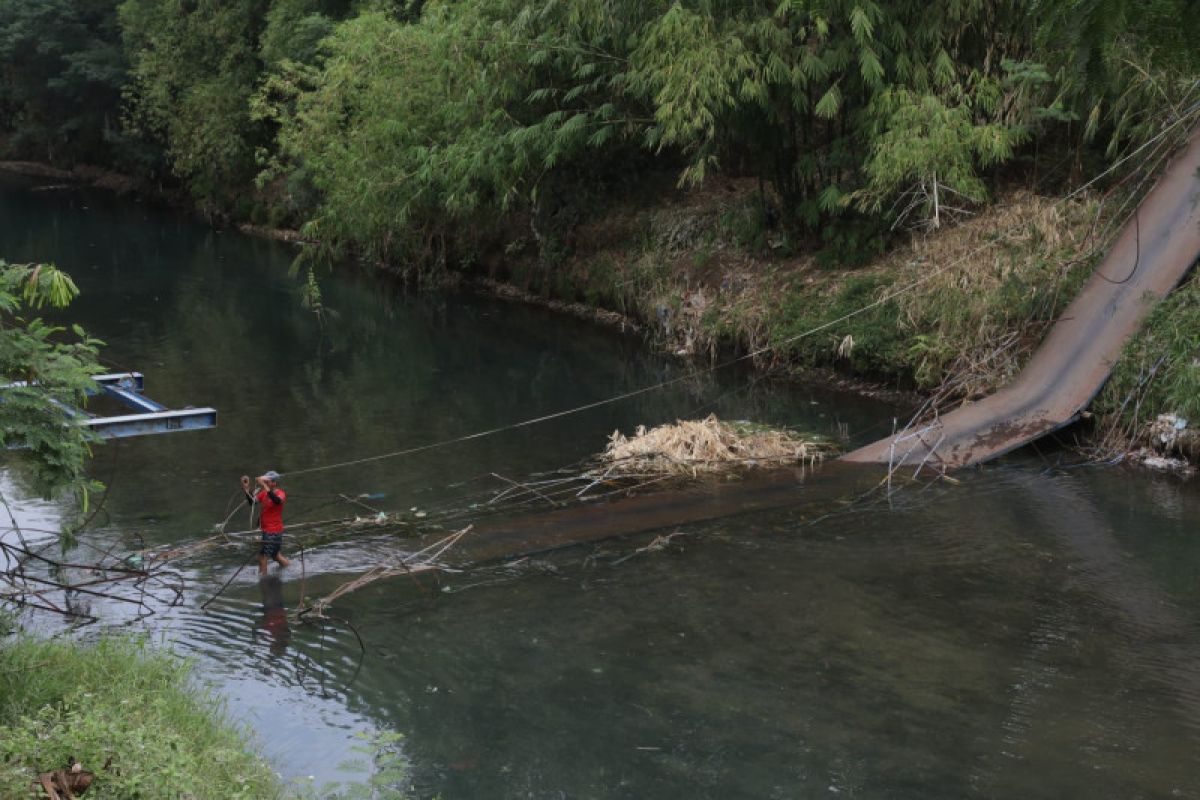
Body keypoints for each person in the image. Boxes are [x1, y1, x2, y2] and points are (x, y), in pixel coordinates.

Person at [241, 470, 290, 575]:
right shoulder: (264, 493)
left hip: (273, 530)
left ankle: (263, 580)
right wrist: (246, 489)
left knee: (262, 557)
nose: (265, 484)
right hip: (267, 529)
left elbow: (277, 501)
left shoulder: (280, 494)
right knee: (275, 555)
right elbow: (252, 502)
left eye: (267, 482)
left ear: (274, 483)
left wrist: (263, 484)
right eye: (265, 482)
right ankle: (289, 568)